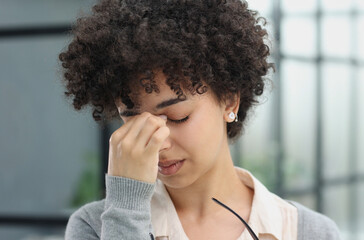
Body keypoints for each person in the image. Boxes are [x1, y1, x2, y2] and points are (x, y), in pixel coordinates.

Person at [59, 0, 341, 239]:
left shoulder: (309, 232)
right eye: (133, 119)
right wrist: (126, 208)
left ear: (229, 100)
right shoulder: (96, 227)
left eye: (177, 116)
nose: (158, 143)